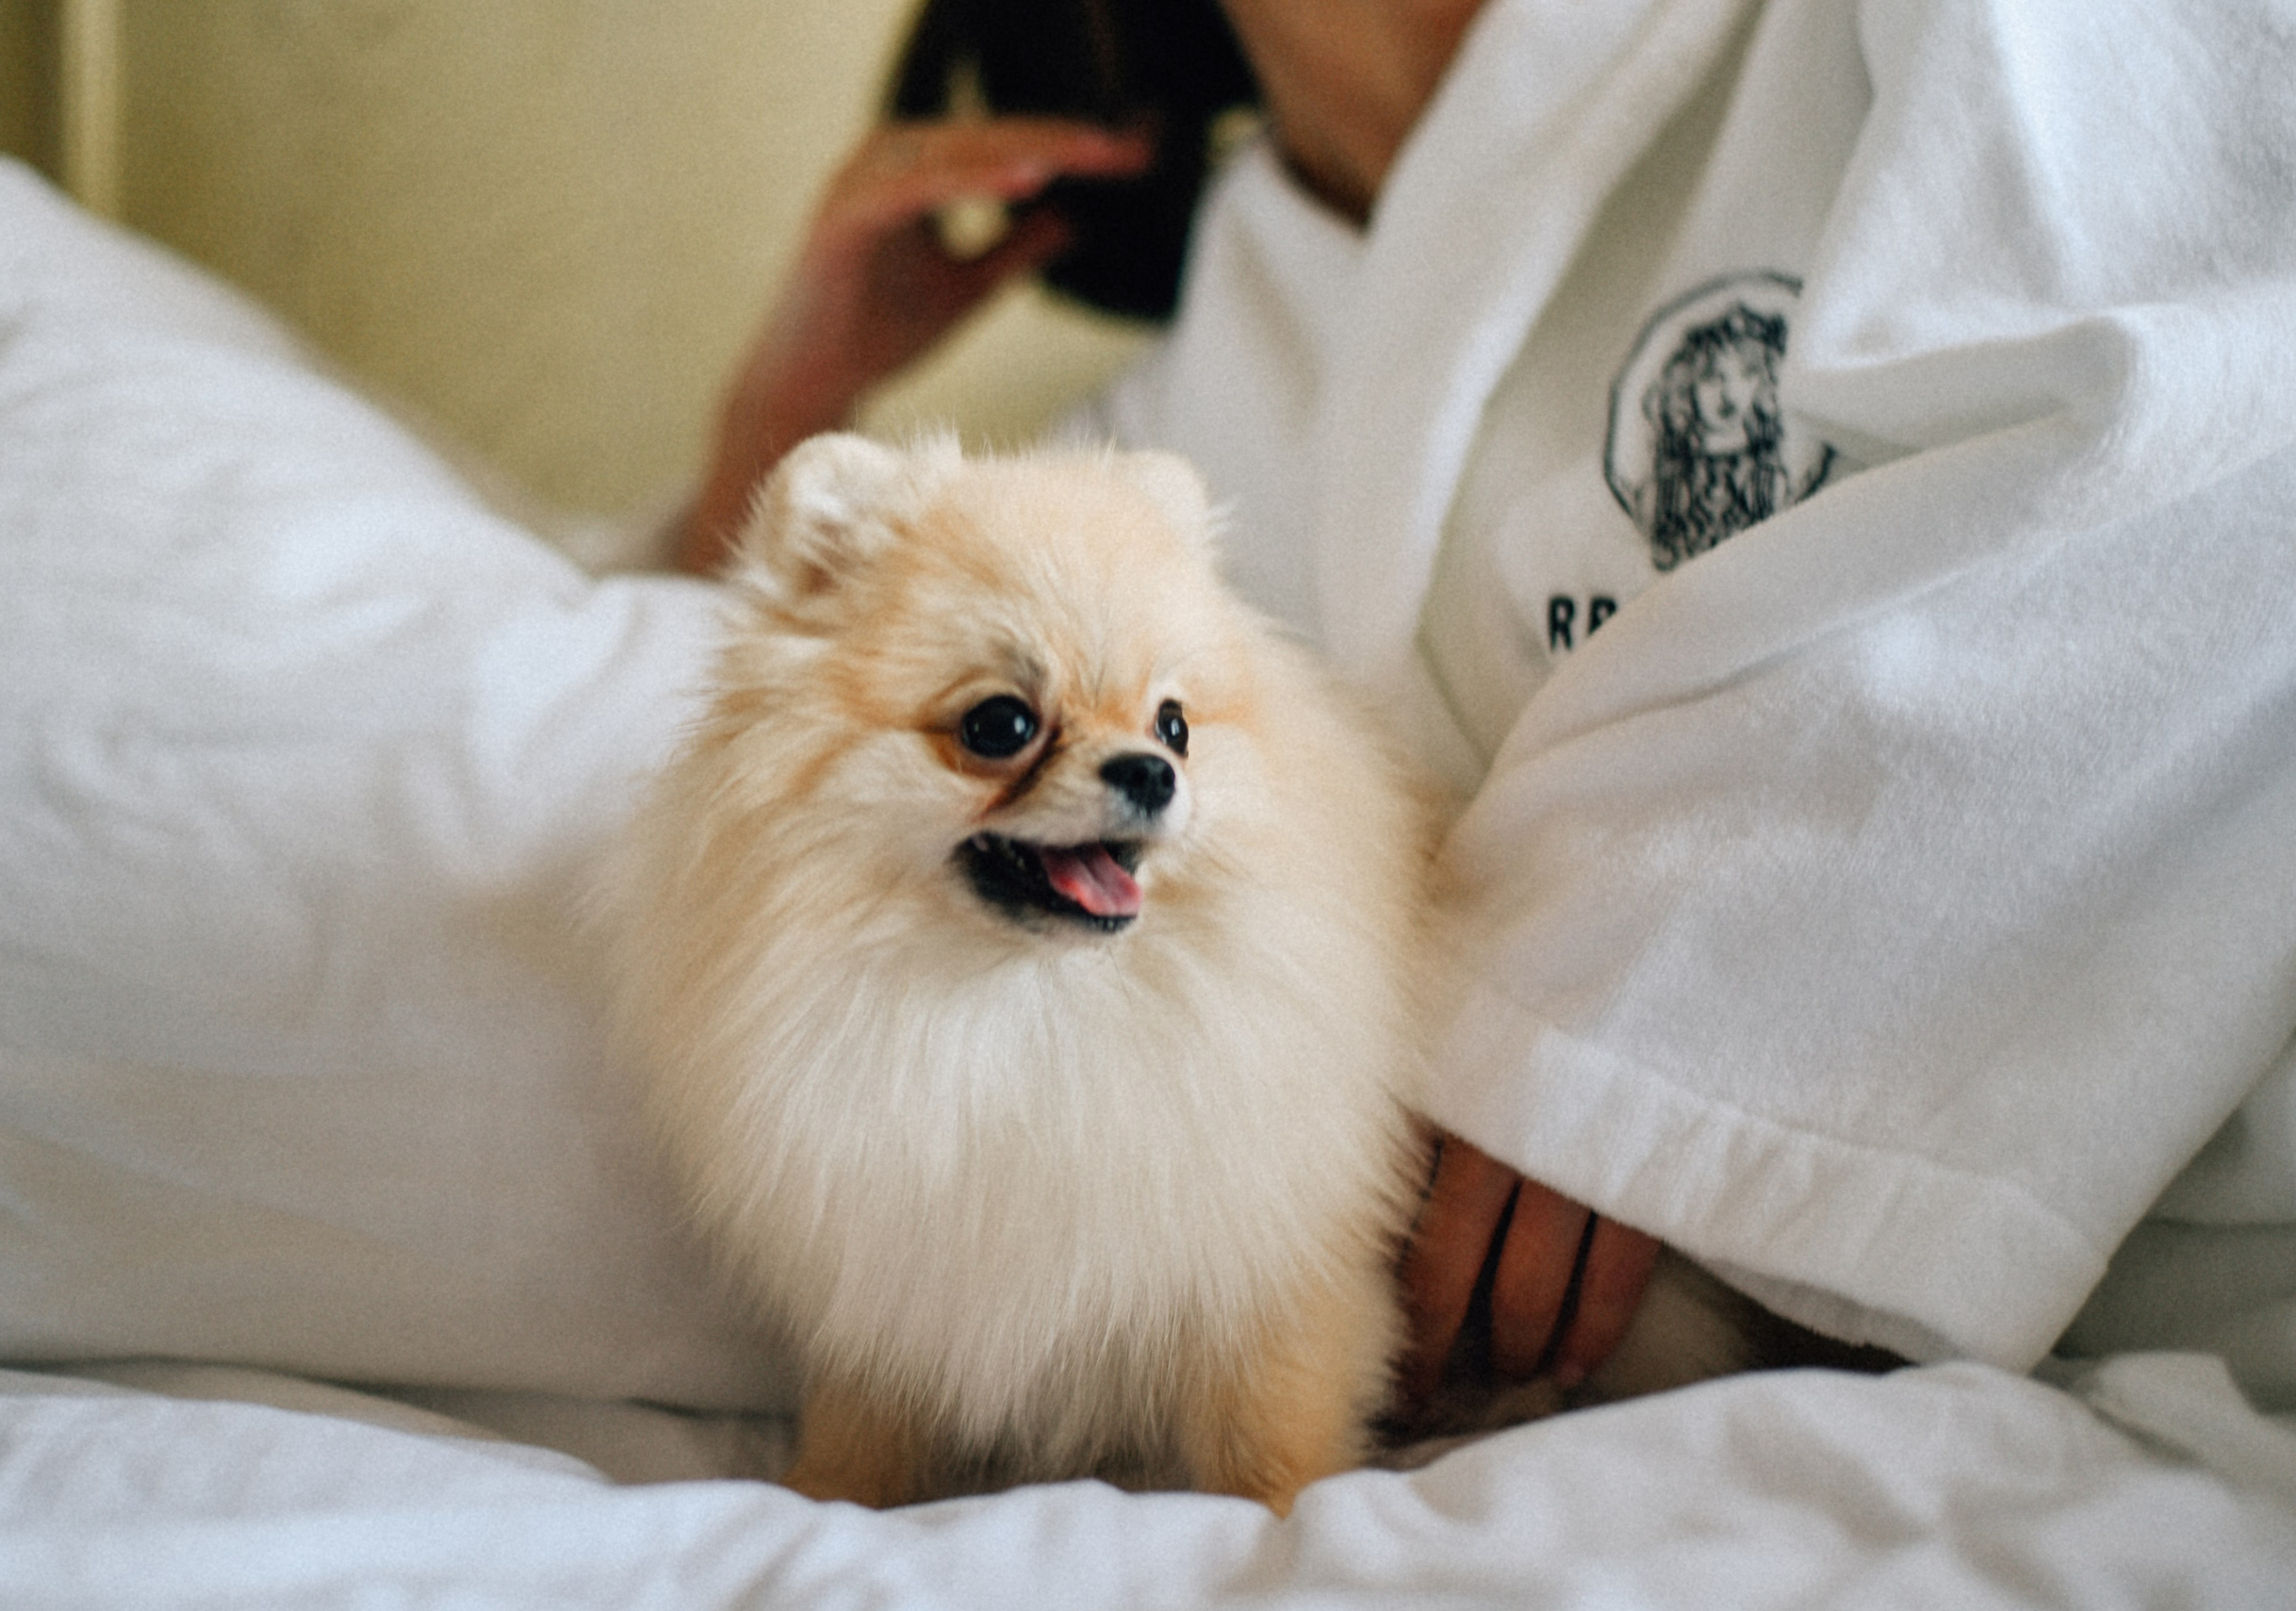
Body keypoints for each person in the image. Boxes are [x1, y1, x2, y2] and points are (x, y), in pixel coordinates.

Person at [669, 0, 2296, 1413]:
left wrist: (1618, 995)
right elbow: (767, 702)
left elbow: (2220, 415)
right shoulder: (1199, 392)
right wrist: (790, 405)